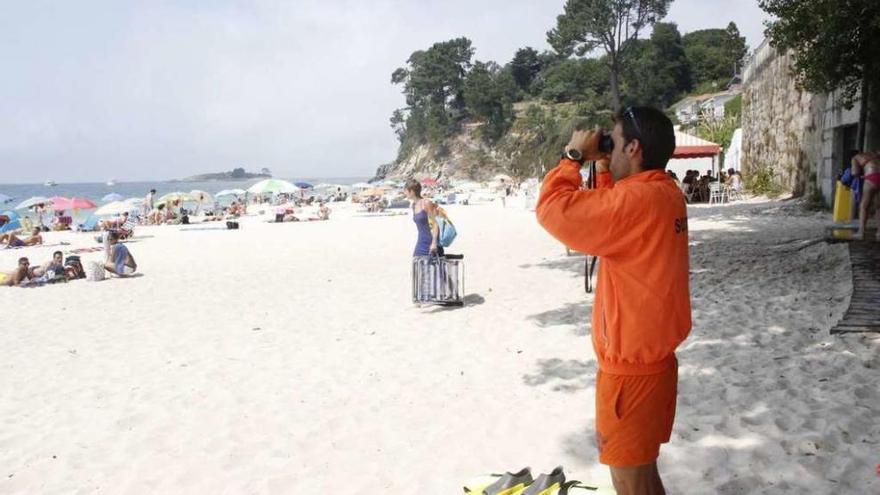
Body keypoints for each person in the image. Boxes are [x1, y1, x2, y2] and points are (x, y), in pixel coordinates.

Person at [536, 106, 691, 495]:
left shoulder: (639, 200)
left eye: (616, 142)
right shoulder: (663, 192)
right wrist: (606, 167)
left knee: (629, 482)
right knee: (643, 474)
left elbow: (554, 211)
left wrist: (572, 158)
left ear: (634, 148)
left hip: (630, 372)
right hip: (652, 363)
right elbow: (611, 220)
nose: (611, 147)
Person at [404, 179, 441, 257]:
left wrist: (434, 243)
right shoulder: (413, 205)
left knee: (431, 268)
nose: (405, 193)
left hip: (431, 241)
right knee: (417, 264)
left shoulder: (426, 203)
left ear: (412, 191)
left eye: (406, 191)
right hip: (421, 241)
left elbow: (435, 223)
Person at [852, 151, 880, 240]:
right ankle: (879, 232)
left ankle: (861, 232)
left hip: (871, 177)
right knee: (878, 206)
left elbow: (855, 172)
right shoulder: (875, 154)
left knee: (864, 206)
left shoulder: (855, 158)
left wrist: (861, 174)